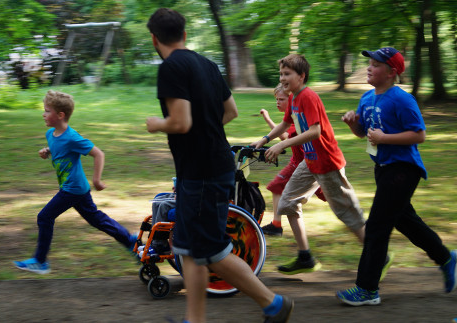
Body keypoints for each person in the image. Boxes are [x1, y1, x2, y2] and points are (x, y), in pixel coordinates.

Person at [145, 8, 293, 323]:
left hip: (202, 173)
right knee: (188, 248)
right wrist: (206, 128)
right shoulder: (207, 64)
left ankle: (274, 304)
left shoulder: (171, 67)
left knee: (212, 251)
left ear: (155, 39)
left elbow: (180, 122)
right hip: (209, 167)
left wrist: (157, 124)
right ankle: (194, 320)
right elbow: (231, 111)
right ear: (183, 35)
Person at [337, 47, 456, 305]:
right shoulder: (367, 98)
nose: (369, 68)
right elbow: (363, 132)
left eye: (376, 65)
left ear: (392, 72)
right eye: (369, 63)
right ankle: (446, 257)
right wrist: (352, 124)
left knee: (378, 226)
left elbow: (419, 135)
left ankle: (367, 289)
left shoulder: (402, 100)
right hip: (383, 168)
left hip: (404, 169)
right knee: (405, 221)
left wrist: (384, 138)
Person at [251, 54, 367, 276]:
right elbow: (286, 122)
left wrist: (280, 145)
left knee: (346, 212)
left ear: (301, 76)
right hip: (310, 161)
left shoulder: (308, 97)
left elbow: (315, 131)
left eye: (287, 74)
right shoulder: (294, 98)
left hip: (327, 162)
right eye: (281, 74)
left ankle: (376, 255)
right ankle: (305, 257)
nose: (282, 78)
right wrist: (265, 140)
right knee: (287, 202)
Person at [14, 90, 136, 274]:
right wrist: (47, 151)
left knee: (44, 217)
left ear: (60, 115)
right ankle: (129, 240)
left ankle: (40, 261)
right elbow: (59, 147)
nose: (43, 114)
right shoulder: (50, 134)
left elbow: (98, 153)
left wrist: (97, 179)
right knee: (96, 219)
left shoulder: (72, 137)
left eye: (47, 111)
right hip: (75, 188)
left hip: (73, 189)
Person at [260, 84, 326, 237]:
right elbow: (284, 135)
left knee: (330, 195)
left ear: (291, 100)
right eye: (276, 99)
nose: (278, 102)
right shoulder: (292, 121)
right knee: (276, 186)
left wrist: (276, 143)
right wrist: (268, 120)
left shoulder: (297, 122)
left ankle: (277, 224)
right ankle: (276, 224)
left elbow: (286, 138)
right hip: (298, 163)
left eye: (281, 99)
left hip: (303, 163)